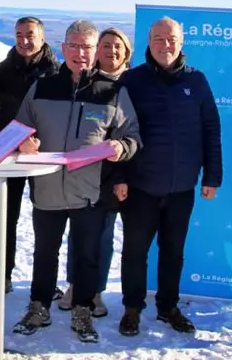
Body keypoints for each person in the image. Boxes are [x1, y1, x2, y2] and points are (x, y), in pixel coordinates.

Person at [12, 20, 140, 343]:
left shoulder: (112, 91)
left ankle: (83, 310)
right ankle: (38, 306)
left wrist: (120, 148)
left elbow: (132, 135)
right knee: (44, 253)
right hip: (47, 188)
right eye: (75, 46)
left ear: (95, 51)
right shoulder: (42, 86)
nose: (81, 53)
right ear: (63, 47)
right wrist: (24, 141)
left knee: (87, 255)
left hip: (89, 193)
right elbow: (20, 126)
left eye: (87, 47)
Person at [117, 17, 222, 336]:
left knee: (173, 251)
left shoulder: (198, 81)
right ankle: (132, 307)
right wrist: (119, 177)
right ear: (149, 42)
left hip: (182, 187)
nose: (166, 44)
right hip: (140, 186)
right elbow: (118, 131)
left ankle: (168, 306)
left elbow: (211, 129)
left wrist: (212, 176)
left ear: (182, 42)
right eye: (159, 38)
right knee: (135, 250)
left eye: (172, 38)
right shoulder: (132, 81)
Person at [59, 27, 133, 317]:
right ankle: (75, 285)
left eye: (117, 46)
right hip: (82, 172)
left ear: (126, 52)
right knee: (77, 233)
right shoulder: (85, 81)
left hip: (116, 173)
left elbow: (129, 134)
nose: (111, 51)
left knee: (103, 233)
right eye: (105, 45)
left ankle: (97, 290)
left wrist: (122, 176)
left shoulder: (131, 84)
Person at [0, 16, 60, 297]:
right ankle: (2, 276)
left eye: (30, 35)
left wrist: (38, 141)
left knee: (46, 220)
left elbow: (58, 115)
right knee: (6, 217)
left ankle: (45, 284)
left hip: (42, 153)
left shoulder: (55, 72)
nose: (24, 41)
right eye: (19, 35)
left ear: (42, 38)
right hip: (10, 153)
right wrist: (6, 141)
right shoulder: (4, 70)